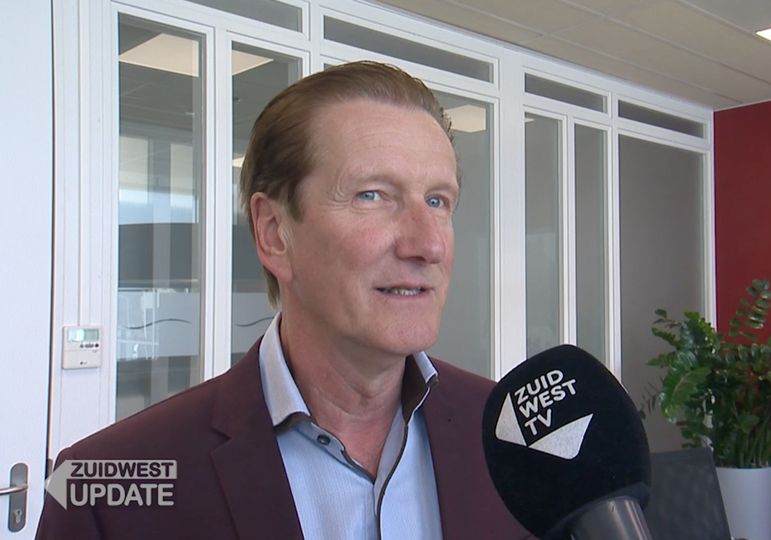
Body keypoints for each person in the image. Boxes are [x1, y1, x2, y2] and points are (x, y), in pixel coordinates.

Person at [36, 61, 531, 540]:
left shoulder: (515, 434)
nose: (429, 245)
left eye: (438, 201)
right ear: (274, 233)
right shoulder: (103, 492)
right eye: (373, 195)